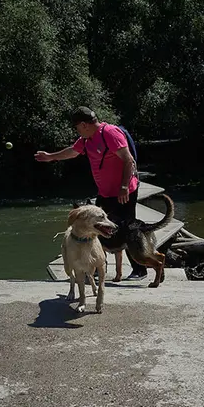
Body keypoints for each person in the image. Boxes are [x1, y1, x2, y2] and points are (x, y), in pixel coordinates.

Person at [34, 106, 148, 279]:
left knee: (128, 230)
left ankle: (140, 269)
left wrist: (124, 186)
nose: (77, 131)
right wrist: (51, 156)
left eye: (77, 127)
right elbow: (72, 152)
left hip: (123, 192)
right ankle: (97, 269)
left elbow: (128, 160)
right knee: (98, 229)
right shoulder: (87, 140)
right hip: (105, 192)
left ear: (83, 124)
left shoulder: (109, 133)